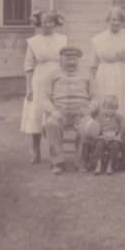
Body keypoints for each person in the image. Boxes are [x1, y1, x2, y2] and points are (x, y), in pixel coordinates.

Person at [41, 46, 101, 175]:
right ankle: (57, 162)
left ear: (78, 60)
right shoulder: (53, 75)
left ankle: (81, 161)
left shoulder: (87, 75)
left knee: (89, 126)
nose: (71, 61)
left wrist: (89, 110)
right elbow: (44, 98)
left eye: (74, 58)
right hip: (59, 112)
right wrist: (53, 111)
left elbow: (96, 97)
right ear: (61, 59)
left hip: (81, 112)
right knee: (51, 124)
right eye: (68, 58)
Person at [20, 10, 67, 164]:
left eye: (51, 21)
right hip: (39, 80)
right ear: (39, 23)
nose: (48, 25)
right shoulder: (33, 41)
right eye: (45, 22)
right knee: (37, 114)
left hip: (57, 79)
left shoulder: (62, 39)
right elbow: (28, 65)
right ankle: (35, 149)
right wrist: (29, 88)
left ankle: (55, 151)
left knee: (54, 114)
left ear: (55, 23)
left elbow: (66, 61)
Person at [89, 6, 125, 119]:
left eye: (118, 20)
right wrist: (95, 81)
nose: (115, 22)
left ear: (122, 21)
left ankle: (121, 130)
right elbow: (93, 64)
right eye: (112, 19)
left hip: (121, 73)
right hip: (103, 74)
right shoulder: (98, 38)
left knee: (121, 100)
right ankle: (103, 130)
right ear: (108, 20)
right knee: (103, 100)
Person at [92, 95, 125, 176]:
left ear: (116, 109)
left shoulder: (118, 117)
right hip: (102, 136)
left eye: (113, 108)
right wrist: (99, 135)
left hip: (114, 137)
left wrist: (118, 135)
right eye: (108, 108)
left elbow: (123, 127)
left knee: (116, 145)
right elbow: (96, 128)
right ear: (103, 108)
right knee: (99, 144)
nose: (110, 111)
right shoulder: (99, 117)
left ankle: (110, 164)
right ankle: (99, 163)